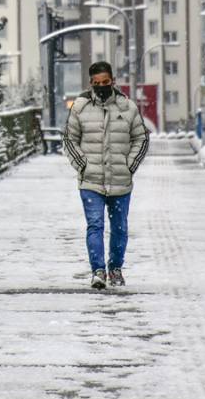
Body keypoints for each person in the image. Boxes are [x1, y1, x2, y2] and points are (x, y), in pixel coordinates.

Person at [62, 62, 150, 289]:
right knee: (95, 225)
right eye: (96, 83)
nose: (101, 86)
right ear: (90, 83)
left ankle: (116, 268)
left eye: (105, 82)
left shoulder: (127, 107)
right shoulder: (80, 107)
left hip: (120, 179)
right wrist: (82, 165)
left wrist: (129, 165)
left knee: (120, 227)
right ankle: (98, 270)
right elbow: (69, 139)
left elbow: (141, 138)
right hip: (90, 180)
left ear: (113, 81)